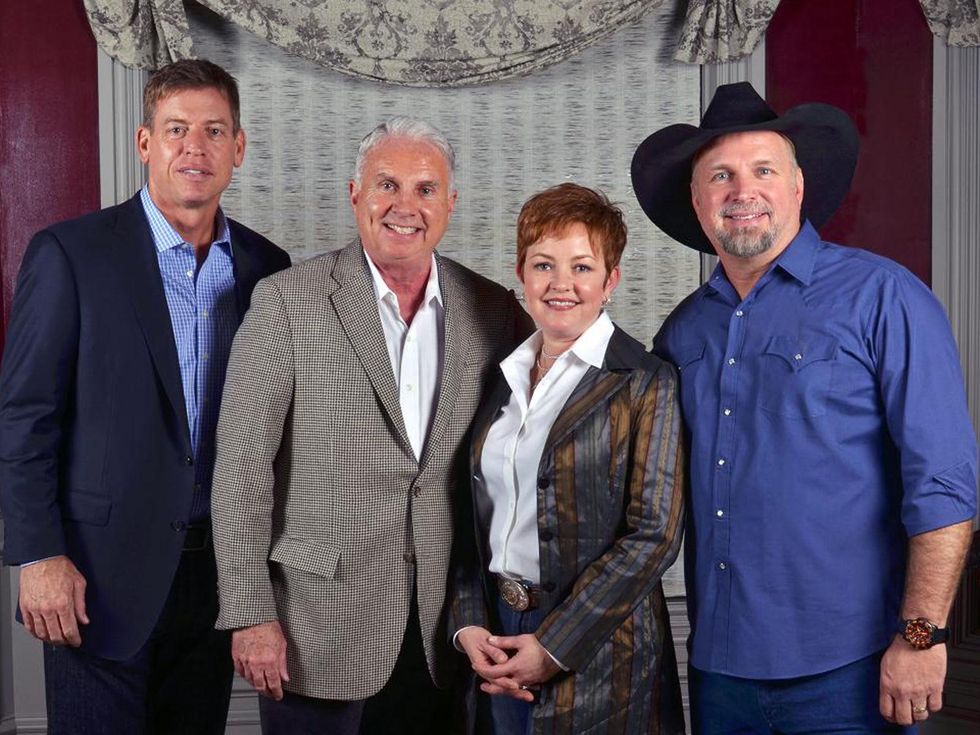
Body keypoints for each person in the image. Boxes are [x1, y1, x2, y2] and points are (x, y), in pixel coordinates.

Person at [631, 82, 978, 733]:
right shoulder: (681, 334)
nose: (743, 191)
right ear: (698, 202)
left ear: (797, 188)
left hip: (856, 669)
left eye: (764, 169)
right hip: (719, 674)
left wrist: (922, 636)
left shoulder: (885, 298)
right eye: (721, 175)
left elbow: (943, 482)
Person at [210, 116, 529, 734]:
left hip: (448, 635)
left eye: (425, 188)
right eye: (386, 184)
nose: (404, 206)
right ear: (355, 194)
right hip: (315, 629)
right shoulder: (287, 302)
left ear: (451, 203)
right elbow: (242, 470)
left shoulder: (491, 309)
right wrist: (250, 614)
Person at [0, 59, 290, 733]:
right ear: (144, 142)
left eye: (215, 131)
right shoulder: (71, 255)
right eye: (177, 129)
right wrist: (38, 554)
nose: (196, 148)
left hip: (217, 579)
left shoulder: (267, 271)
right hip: (94, 578)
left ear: (238, 148)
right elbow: (25, 416)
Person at [452, 183, 686, 734]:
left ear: (611, 282)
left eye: (582, 266)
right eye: (543, 264)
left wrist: (553, 647)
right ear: (521, 274)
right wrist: (468, 627)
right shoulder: (500, 377)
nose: (561, 285)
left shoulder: (647, 381)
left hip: (601, 650)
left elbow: (654, 535)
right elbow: (467, 515)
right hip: (496, 637)